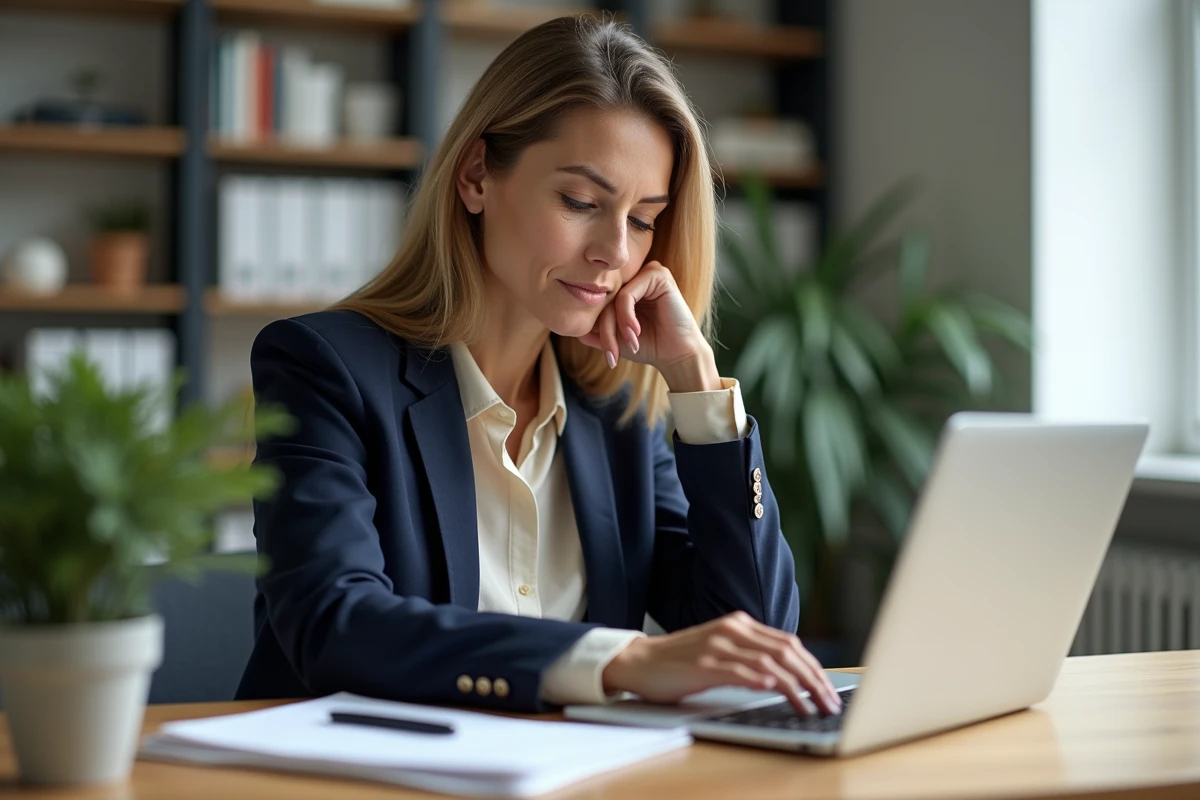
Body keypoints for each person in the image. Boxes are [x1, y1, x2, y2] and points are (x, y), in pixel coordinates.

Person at [235, 14, 840, 717]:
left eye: (643, 218)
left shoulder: (619, 412)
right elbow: (335, 625)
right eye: (581, 201)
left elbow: (758, 637)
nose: (616, 251)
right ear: (475, 178)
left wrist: (698, 388)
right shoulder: (325, 368)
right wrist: (619, 660)